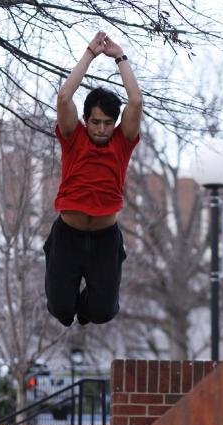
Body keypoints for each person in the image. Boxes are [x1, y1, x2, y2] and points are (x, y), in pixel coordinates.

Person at [43, 31, 142, 327]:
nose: (101, 129)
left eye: (107, 123)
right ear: (87, 120)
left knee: (102, 313)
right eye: (96, 122)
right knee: (60, 309)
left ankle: (88, 310)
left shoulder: (122, 142)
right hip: (68, 236)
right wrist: (90, 53)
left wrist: (120, 56)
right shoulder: (74, 137)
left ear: (115, 124)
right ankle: (70, 306)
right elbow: (64, 97)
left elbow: (135, 101)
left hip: (105, 240)